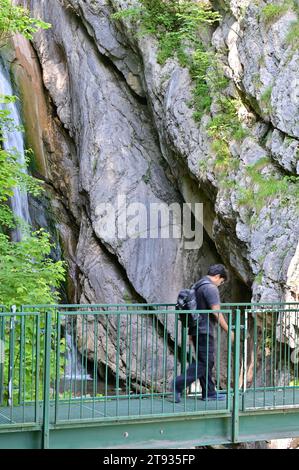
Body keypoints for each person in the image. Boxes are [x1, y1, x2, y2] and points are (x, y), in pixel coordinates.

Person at [171, 264, 234, 403]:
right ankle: (178, 384)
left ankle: (209, 392)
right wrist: (228, 330)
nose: (220, 284)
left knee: (205, 361)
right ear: (217, 276)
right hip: (204, 330)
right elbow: (216, 312)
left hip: (196, 329)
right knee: (205, 362)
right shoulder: (210, 288)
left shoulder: (198, 285)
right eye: (221, 282)